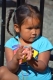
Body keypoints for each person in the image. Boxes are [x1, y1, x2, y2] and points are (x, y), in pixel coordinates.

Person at [0, 4, 53, 80]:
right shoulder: (10, 44)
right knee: (2, 71)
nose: (34, 32)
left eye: (37, 27)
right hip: (20, 78)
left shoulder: (43, 42)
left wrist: (31, 60)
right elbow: (11, 69)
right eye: (30, 28)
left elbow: (43, 67)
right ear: (17, 28)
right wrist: (16, 59)